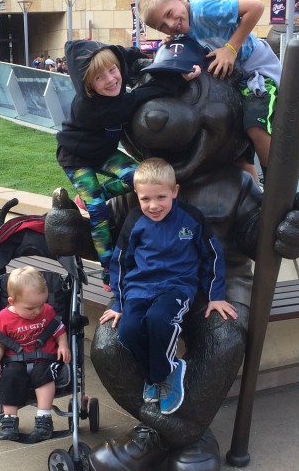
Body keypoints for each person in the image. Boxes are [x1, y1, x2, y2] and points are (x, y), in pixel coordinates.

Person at [99, 157, 237, 416]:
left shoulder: (190, 218)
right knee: (127, 330)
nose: (153, 206)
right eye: (145, 199)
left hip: (175, 287)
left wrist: (215, 296)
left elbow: (213, 256)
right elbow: (120, 260)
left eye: (161, 197)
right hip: (138, 288)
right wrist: (118, 303)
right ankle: (161, 373)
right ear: (137, 197)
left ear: (175, 191)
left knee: (159, 321)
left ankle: (162, 374)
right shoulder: (134, 221)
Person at [57, 39, 200, 286]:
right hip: (76, 158)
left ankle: (94, 196)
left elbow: (125, 53)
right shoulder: (95, 108)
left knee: (137, 178)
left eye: (113, 70)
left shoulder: (114, 70)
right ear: (87, 85)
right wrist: (179, 78)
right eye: (100, 78)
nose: (111, 80)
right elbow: (143, 95)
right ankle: (108, 271)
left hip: (102, 152)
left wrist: (151, 53)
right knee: (99, 215)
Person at [137, 0, 281, 177]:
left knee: (256, 126)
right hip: (234, 83)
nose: (170, 24)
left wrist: (231, 49)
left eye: (170, 13)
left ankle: (276, 183)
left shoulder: (205, 11)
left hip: (257, 73)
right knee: (238, 153)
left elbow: (255, 7)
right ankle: (255, 199)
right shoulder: (181, 29)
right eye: (162, 26)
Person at [0, 265, 71, 443]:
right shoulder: (2, 319)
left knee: (45, 375)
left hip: (44, 360)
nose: (38, 311)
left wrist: (63, 345)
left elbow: (59, 329)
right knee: (9, 375)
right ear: (11, 301)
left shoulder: (47, 311)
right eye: (31, 308)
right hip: (15, 361)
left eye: (41, 304)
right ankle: (9, 419)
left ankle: (43, 418)